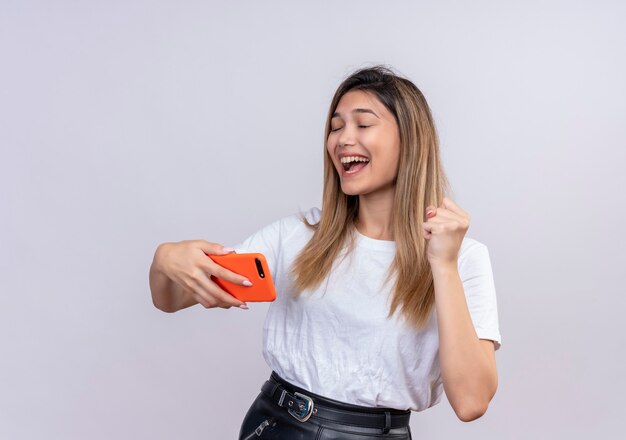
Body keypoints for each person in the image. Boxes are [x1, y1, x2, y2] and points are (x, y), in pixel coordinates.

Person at [149, 65, 502, 439]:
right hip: (277, 427)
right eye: (336, 126)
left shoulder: (462, 257)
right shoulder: (297, 238)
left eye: (363, 124)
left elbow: (471, 402)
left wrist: (443, 265)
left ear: (410, 140)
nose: (343, 139)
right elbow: (170, 297)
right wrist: (165, 259)